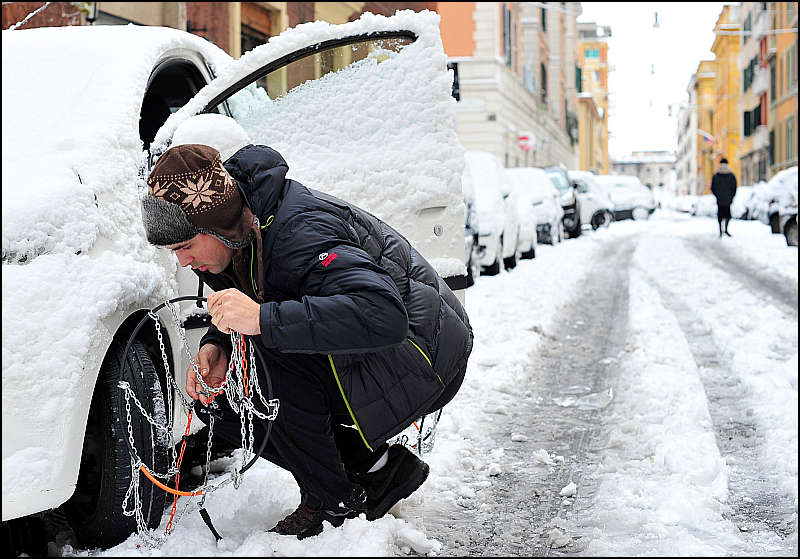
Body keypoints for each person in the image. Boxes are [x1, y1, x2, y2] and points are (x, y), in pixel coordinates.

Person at [140, 115, 473, 540]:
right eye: (174, 252)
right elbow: (258, 295)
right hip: (376, 345)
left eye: (185, 246)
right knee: (215, 399)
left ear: (216, 223)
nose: (183, 262)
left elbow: (382, 314)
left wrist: (260, 321)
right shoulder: (236, 234)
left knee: (266, 357)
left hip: (422, 354)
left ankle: (332, 500)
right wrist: (217, 344)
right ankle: (375, 470)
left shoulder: (299, 231)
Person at [710, 157, 737, 237]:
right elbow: (734, 187)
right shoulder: (731, 175)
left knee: (720, 216)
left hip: (719, 200)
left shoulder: (716, 175)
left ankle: (720, 231)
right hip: (728, 200)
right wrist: (731, 196)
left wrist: (717, 196)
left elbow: (712, 188)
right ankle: (726, 229)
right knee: (728, 215)